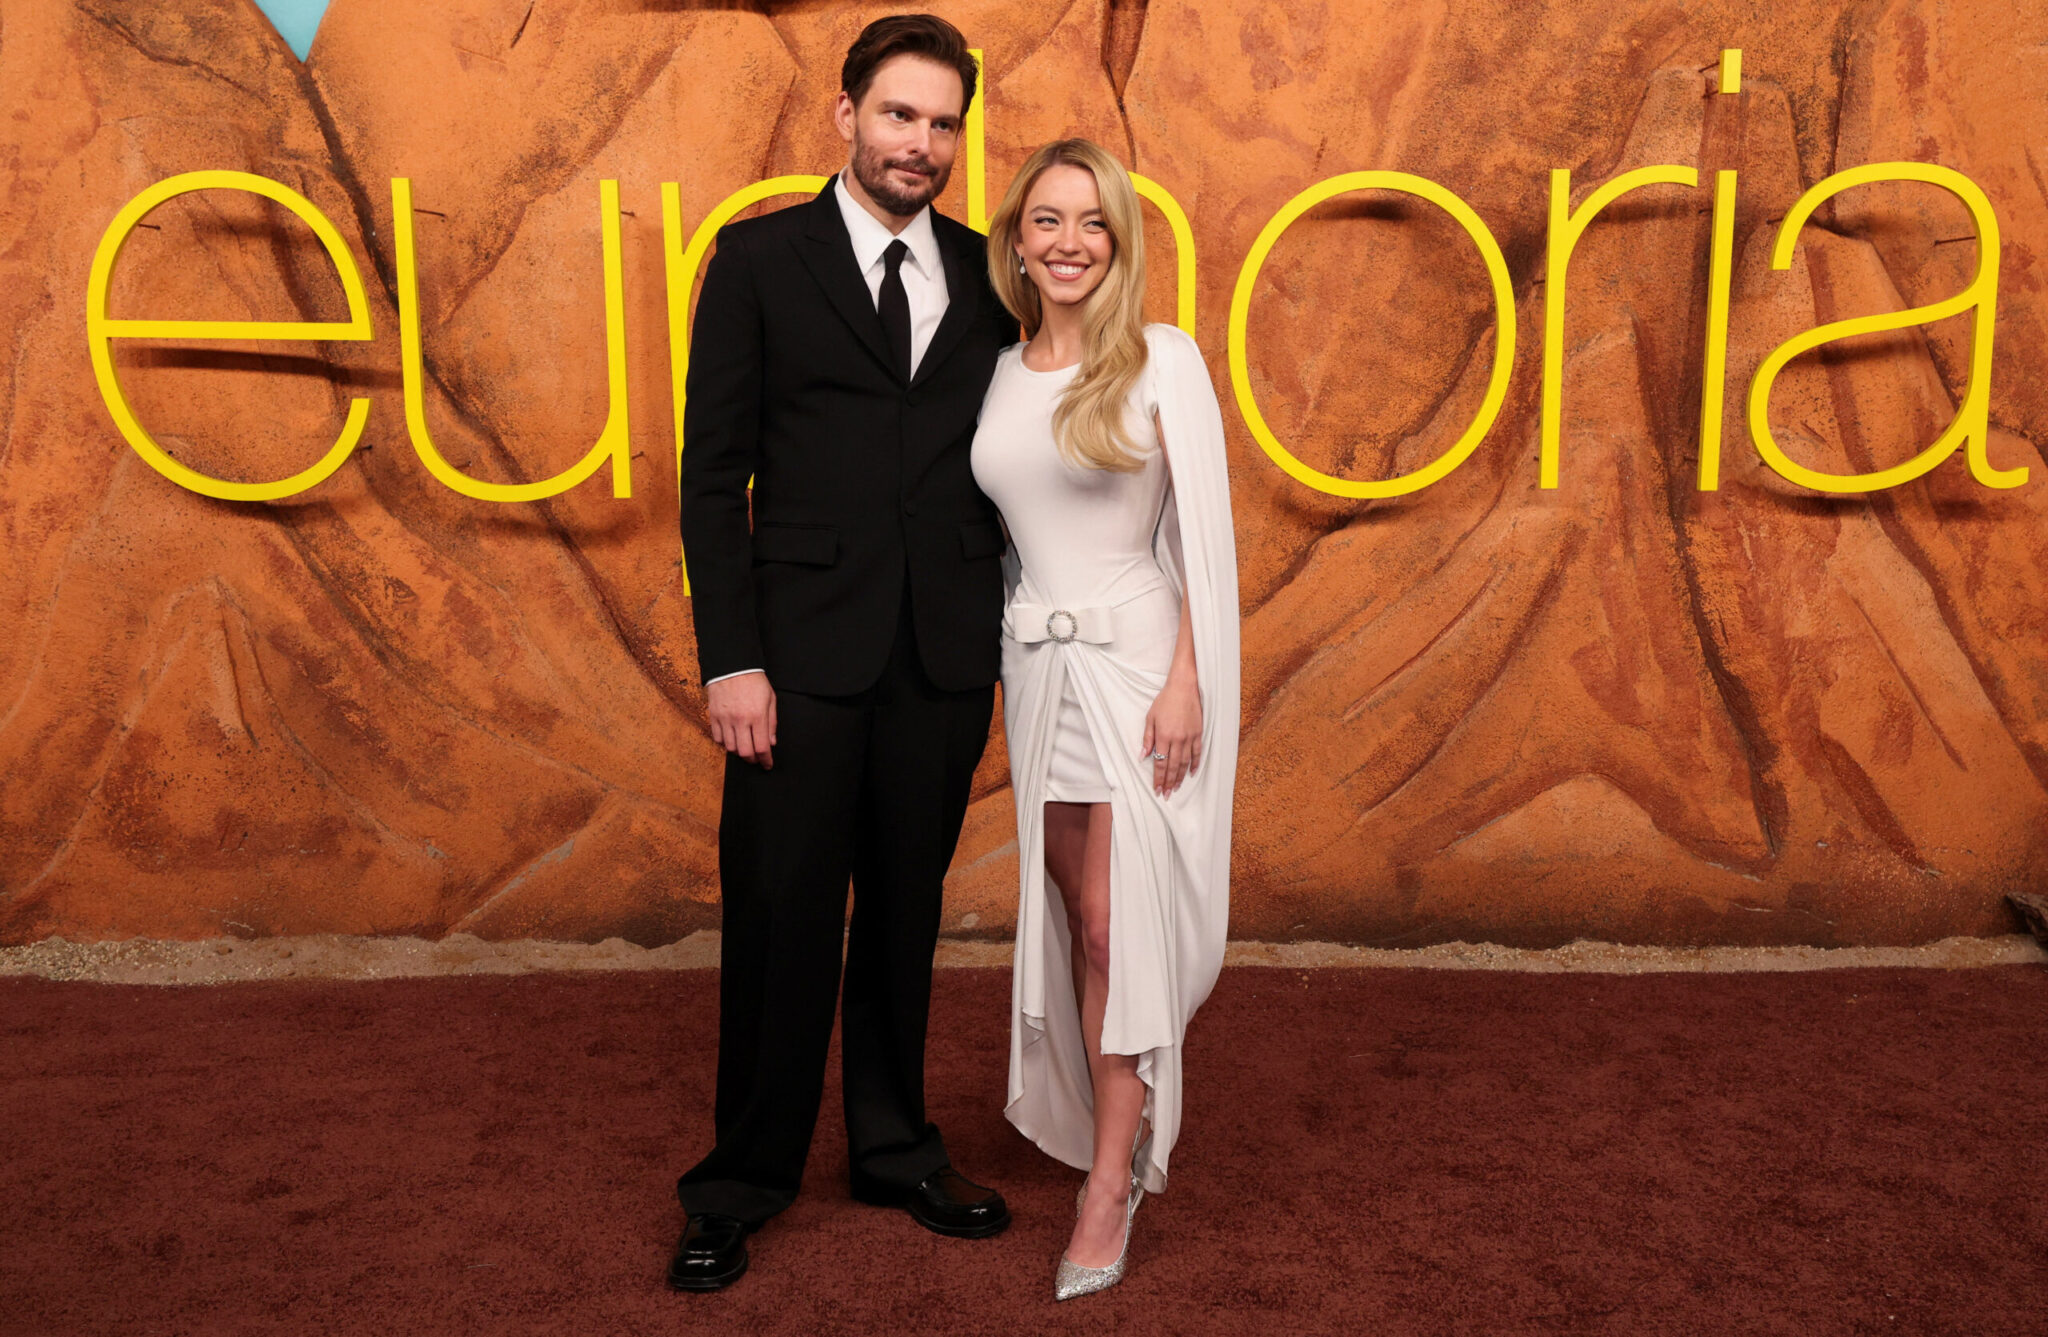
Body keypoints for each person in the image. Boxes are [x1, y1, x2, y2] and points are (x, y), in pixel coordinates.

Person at [668, 14, 1021, 1293]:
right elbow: (713, 478)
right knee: (780, 920)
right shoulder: (759, 261)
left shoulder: (991, 275)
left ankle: (893, 1146)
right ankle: (740, 1180)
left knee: (905, 914)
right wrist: (730, 659)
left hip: (942, 654)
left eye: (941, 123)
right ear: (845, 116)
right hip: (795, 661)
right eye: (897, 115)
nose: (918, 142)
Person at [970, 139, 1240, 1300]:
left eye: (1091, 222)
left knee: (1111, 926)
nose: (1068, 241)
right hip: (1036, 677)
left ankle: (1107, 1182)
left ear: (1119, 241)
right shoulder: (995, 371)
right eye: (1046, 220)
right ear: (1016, 241)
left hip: (1137, 674)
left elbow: (1203, 541)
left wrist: (1189, 682)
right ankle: (1108, 1130)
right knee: (1080, 927)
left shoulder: (1160, 358)